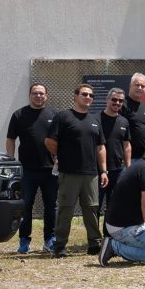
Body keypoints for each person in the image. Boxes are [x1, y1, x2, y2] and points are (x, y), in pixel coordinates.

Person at [45, 84, 108, 258]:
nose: (88, 98)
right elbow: (49, 141)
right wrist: (60, 155)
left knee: (92, 209)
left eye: (91, 95)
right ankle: (60, 246)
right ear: (75, 96)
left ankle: (94, 244)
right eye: (84, 94)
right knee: (66, 209)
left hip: (91, 174)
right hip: (69, 173)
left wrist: (103, 171)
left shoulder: (95, 120)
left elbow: (101, 147)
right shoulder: (63, 117)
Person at [99, 137, 145, 266]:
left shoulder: (140, 165)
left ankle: (140, 236)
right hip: (121, 228)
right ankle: (113, 246)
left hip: (116, 220)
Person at [6, 83, 58, 253]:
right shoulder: (19, 115)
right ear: (29, 95)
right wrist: (11, 161)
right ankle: (24, 241)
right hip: (27, 170)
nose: (38, 96)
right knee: (26, 206)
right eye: (35, 93)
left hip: (51, 170)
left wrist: (60, 158)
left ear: (46, 96)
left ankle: (50, 239)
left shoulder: (54, 114)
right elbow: (11, 139)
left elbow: (61, 139)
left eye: (41, 93)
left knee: (51, 206)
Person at [98, 87, 131, 217]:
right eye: (114, 100)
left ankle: (108, 230)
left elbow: (127, 145)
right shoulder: (96, 119)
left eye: (120, 101)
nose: (117, 103)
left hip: (117, 170)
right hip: (97, 171)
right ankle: (94, 231)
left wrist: (128, 168)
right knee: (95, 206)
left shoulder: (124, 121)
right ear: (107, 100)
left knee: (113, 207)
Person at [121, 73, 145, 159]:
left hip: (143, 157)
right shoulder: (122, 104)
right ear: (130, 85)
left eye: (143, 86)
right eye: (137, 85)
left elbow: (143, 128)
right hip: (126, 158)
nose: (140, 88)